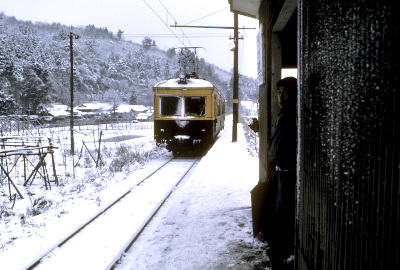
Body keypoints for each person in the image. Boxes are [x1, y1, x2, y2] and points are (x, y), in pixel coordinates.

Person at [265, 77, 297, 269]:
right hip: (282, 171)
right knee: (280, 214)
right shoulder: (283, 115)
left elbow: (279, 147)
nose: (281, 97)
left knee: (284, 215)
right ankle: (281, 252)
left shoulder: (291, 116)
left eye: (285, 92)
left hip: (289, 173)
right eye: (278, 92)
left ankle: (284, 255)